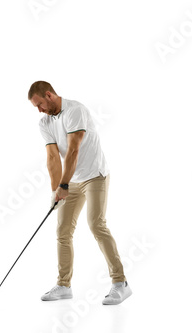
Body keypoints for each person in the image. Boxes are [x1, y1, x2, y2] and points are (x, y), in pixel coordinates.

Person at [28, 81, 132, 305]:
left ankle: (120, 283)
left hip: (95, 175)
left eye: (39, 104)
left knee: (96, 224)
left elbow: (73, 150)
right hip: (71, 181)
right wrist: (56, 190)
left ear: (49, 95)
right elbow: (53, 158)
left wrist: (63, 185)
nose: (39, 110)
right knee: (63, 231)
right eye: (35, 107)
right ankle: (63, 285)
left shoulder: (75, 111)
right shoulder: (45, 122)